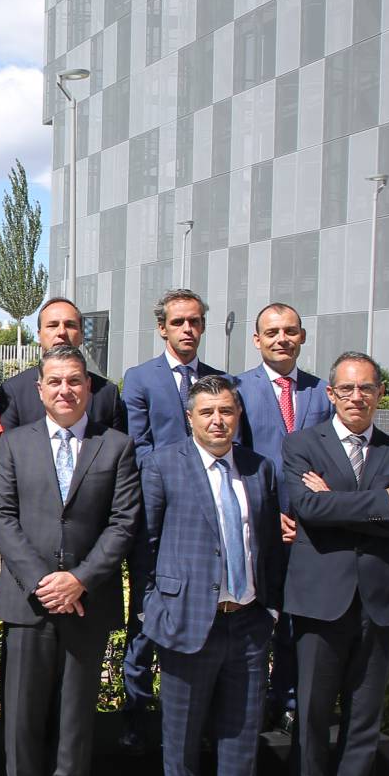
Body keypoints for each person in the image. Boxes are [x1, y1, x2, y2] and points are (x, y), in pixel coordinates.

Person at [0, 345, 140, 776]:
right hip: (29, 601)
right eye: (54, 382)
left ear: (90, 388)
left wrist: (79, 580)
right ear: (40, 388)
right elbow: (1, 517)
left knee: (75, 714)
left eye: (75, 381)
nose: (65, 390)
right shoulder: (15, 444)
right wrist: (42, 580)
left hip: (85, 603)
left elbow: (123, 524)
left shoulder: (115, 446)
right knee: (23, 714)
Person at [282, 353, 389, 776]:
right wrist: (379, 501)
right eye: (347, 389)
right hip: (321, 601)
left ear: (380, 393)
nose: (356, 397)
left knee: (364, 720)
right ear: (330, 394)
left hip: (380, 603)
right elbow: (307, 509)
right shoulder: (302, 445)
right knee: (313, 716)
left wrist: (341, 504)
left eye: (366, 388)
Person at [138, 374, 285, 776]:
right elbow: (146, 546)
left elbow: (266, 544)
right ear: (190, 417)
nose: (217, 420)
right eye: (207, 412)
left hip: (246, 620)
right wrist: (151, 607)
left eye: (225, 411)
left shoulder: (259, 469)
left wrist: (269, 608)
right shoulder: (162, 466)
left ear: (238, 415)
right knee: (181, 731)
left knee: (241, 728)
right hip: (186, 620)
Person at [118, 288, 223, 751]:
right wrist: (182, 472)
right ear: (162, 327)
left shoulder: (220, 382)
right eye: (179, 322)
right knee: (146, 613)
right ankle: (137, 714)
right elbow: (137, 446)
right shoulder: (140, 379)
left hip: (206, 521)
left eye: (195, 322)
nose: (187, 329)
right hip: (155, 516)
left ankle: (197, 718)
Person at [233, 303, 333, 722]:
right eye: (271, 332)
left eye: (289, 331)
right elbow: (232, 457)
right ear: (257, 340)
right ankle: (248, 706)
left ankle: (288, 702)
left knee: (297, 620)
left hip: (310, 528)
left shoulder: (322, 391)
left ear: (302, 336)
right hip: (257, 526)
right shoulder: (237, 389)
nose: (281, 339)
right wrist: (267, 513)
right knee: (255, 620)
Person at [0, 297, 125, 434]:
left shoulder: (107, 393)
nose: (61, 332)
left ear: (81, 335)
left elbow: (117, 448)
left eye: (70, 325)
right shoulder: (13, 391)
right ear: (39, 335)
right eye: (52, 325)